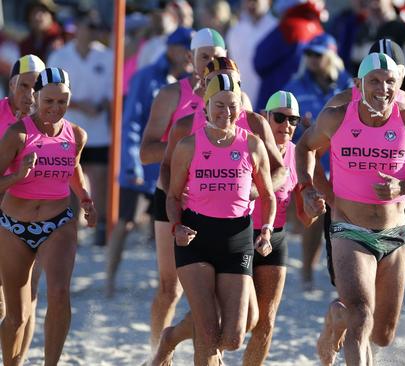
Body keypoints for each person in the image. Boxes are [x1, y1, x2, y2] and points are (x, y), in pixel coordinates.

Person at [297, 52, 405, 365]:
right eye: (375, 81)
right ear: (359, 84)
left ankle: (336, 320)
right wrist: (308, 189)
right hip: (350, 230)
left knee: (382, 335)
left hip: (395, 235)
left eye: (390, 81)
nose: (382, 89)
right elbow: (304, 147)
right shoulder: (338, 116)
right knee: (362, 317)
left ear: (399, 85)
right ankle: (348, 319)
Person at [150, 57, 286, 365]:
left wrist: (264, 226)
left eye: (232, 104)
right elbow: (169, 188)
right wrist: (176, 224)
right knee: (207, 330)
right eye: (219, 105)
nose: (226, 113)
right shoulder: (187, 138)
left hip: (237, 234)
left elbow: (271, 187)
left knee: (235, 336)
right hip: (195, 234)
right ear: (206, 102)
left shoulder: (252, 138)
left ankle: (171, 336)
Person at [140, 27, 230, 350]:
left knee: (217, 288)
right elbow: (146, 150)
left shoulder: (234, 99)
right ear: (191, 60)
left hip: (217, 201)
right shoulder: (171, 95)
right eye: (204, 57)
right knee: (170, 288)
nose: (210, 64)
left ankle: (207, 350)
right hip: (172, 197)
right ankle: (156, 350)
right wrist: (183, 148)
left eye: (217, 58)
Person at [0, 67, 96, 366]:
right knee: (17, 316)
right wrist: (18, 175)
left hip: (58, 223)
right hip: (14, 227)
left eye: (63, 102)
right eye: (49, 101)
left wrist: (85, 199)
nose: (55, 109)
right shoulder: (18, 133)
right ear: (36, 97)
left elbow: (74, 169)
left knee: (58, 292)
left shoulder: (77, 135)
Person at [104, 26, 193, 298]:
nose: (189, 54)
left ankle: (163, 283)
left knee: (164, 226)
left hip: (172, 165)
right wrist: (130, 161)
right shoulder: (147, 77)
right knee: (125, 222)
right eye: (184, 47)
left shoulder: (192, 82)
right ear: (171, 48)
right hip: (144, 162)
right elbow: (131, 121)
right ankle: (109, 278)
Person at [243, 90, 316, 365]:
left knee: (267, 320)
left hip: (276, 236)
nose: (286, 126)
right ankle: (172, 339)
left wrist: (314, 209)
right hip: (239, 235)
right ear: (265, 117)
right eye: (280, 118)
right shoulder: (249, 146)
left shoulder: (298, 155)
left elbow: (304, 217)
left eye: (293, 120)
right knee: (236, 319)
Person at [284, 33, 353, 290]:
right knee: (314, 216)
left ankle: (338, 271)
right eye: (308, 54)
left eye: (317, 54)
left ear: (331, 55)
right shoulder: (295, 86)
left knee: (345, 219)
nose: (311, 59)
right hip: (312, 160)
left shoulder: (349, 88)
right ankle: (307, 270)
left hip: (345, 164)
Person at [47, 9, 114, 246]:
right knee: (69, 181)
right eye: (90, 26)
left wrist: (101, 105)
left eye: (97, 27)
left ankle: (101, 228)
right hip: (67, 129)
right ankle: (71, 228)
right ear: (78, 28)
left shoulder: (107, 56)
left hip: (98, 132)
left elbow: (113, 91)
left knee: (100, 181)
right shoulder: (60, 56)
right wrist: (78, 105)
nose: (94, 31)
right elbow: (48, 92)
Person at [0, 54, 45, 363]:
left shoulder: (51, 120)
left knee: (29, 299)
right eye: (24, 86)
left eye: (36, 87)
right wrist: (16, 177)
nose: (30, 95)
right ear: (12, 85)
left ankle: (17, 361)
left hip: (34, 217)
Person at [253, 0, 325, 112]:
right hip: (309, 102)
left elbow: (259, 61)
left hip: (277, 99)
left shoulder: (289, 27)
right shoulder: (318, 29)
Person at [226, 0, 277, 109]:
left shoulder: (277, 29)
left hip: (270, 103)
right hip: (241, 103)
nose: (250, 4)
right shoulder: (234, 32)